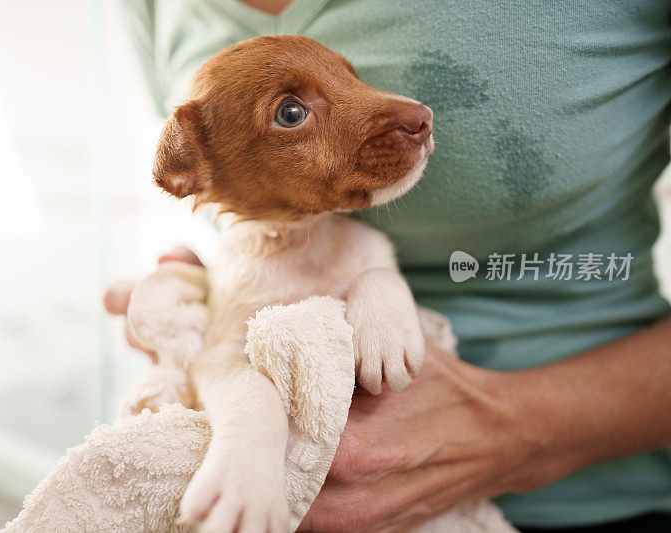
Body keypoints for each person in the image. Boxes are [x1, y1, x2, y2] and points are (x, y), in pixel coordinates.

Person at [105, 1, 671, 531]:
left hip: (600, 499)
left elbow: (375, 278)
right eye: (293, 113)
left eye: (350, 79)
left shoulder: (360, 248)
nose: (410, 113)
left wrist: (510, 428)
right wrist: (185, 300)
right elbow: (221, 356)